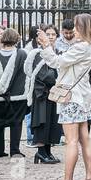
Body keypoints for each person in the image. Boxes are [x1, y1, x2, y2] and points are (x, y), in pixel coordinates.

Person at [31, 13, 91, 180]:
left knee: (71, 140)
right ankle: (89, 177)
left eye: (76, 27)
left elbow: (56, 62)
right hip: (82, 97)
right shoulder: (87, 45)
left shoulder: (81, 47)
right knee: (85, 139)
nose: (72, 31)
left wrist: (46, 45)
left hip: (72, 98)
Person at [0, 28, 29, 158]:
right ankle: (14, 150)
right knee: (16, 123)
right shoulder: (22, 54)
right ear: (16, 39)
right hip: (17, 94)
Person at [27, 26, 61, 164]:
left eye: (53, 34)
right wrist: (58, 78)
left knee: (52, 122)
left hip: (53, 94)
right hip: (41, 93)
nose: (51, 36)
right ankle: (41, 152)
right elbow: (43, 75)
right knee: (42, 122)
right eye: (48, 34)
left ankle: (47, 151)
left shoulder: (57, 52)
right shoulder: (36, 53)